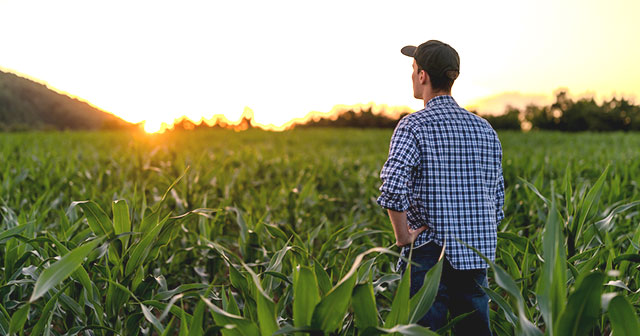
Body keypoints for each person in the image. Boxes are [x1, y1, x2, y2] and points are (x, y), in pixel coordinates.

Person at [377, 40, 504, 335]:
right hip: (475, 254)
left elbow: (393, 188)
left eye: (413, 69)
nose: (411, 75)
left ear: (423, 76)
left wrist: (402, 236)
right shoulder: (485, 129)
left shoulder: (413, 126)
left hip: (428, 255)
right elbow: (497, 201)